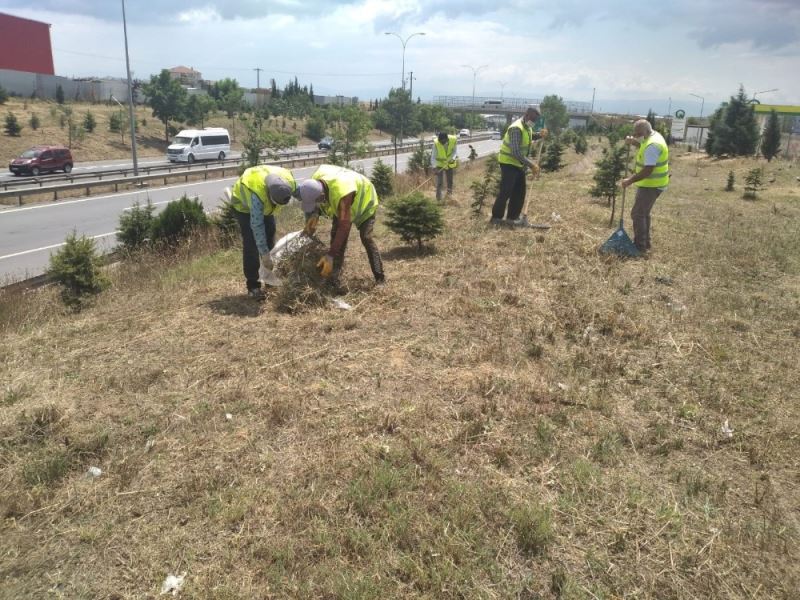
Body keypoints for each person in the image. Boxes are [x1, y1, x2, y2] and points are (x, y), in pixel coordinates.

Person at [296, 164, 385, 289]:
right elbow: (316, 200)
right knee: (336, 238)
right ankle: (333, 279)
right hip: (343, 200)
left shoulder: (343, 193)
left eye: (318, 201)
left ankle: (380, 278)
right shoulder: (313, 182)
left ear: (322, 196)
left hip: (365, 201)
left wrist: (330, 255)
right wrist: (315, 213)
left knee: (366, 237)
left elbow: (344, 227)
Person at [229, 165, 296, 298]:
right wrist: (265, 255)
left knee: (270, 235)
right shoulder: (257, 196)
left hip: (264, 206)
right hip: (244, 209)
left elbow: (300, 193)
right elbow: (257, 226)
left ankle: (270, 280)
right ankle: (253, 285)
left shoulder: (288, 181)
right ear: (269, 194)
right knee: (252, 243)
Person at [491, 105, 547, 226]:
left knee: (519, 191)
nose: (534, 122)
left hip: (518, 164)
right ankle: (496, 218)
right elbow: (515, 152)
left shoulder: (527, 127)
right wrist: (532, 165)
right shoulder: (516, 128)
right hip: (508, 163)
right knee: (506, 191)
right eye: (533, 119)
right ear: (527, 114)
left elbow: (529, 136)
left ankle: (512, 218)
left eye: (535, 120)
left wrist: (539, 135)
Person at [621, 119, 670, 253]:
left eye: (638, 134)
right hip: (653, 184)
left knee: (637, 214)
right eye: (634, 134)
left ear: (646, 131)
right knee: (643, 213)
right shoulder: (653, 136)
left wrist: (629, 180)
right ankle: (645, 243)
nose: (636, 136)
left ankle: (639, 247)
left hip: (651, 186)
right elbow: (643, 144)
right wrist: (634, 142)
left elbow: (648, 170)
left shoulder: (652, 146)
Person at [430, 131, 458, 202]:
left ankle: (449, 196)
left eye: (443, 142)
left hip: (449, 163)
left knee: (450, 181)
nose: (441, 143)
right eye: (440, 142)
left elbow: (454, 151)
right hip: (440, 165)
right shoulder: (436, 143)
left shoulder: (453, 140)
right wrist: (434, 168)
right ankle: (438, 199)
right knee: (440, 182)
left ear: (447, 139)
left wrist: (453, 158)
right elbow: (433, 157)